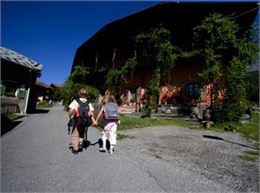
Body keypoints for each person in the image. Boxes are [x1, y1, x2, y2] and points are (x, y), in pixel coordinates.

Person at [68, 88, 95, 154]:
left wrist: (70, 116)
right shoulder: (88, 102)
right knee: (82, 132)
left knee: (75, 133)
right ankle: (80, 144)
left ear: (79, 94)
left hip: (77, 120)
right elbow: (91, 112)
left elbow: (71, 110)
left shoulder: (76, 101)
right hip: (85, 120)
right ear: (86, 94)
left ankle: (75, 148)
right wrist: (93, 120)